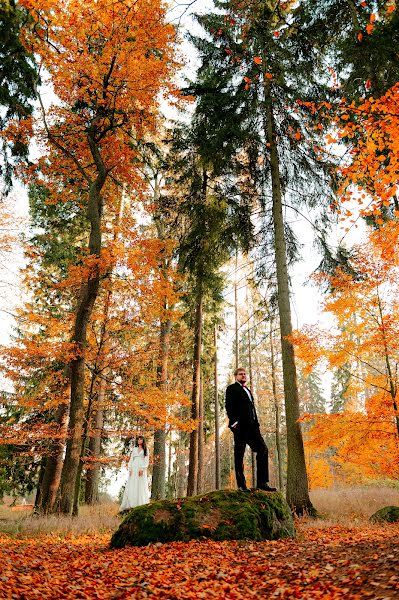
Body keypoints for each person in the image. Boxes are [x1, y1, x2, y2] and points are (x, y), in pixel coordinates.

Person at [226, 367, 276, 492]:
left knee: (263, 449)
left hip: (253, 428)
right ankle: (241, 485)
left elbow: (251, 409)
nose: (243, 376)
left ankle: (262, 482)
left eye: (244, 374)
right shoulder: (232, 388)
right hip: (240, 427)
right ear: (235, 376)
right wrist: (234, 423)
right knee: (239, 455)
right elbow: (228, 406)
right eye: (240, 374)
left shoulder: (247, 390)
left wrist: (256, 424)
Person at [120, 435, 150, 511]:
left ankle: (140, 503)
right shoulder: (134, 449)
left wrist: (142, 469)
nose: (139, 441)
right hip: (134, 467)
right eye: (138, 439)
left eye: (141, 440)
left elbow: (146, 460)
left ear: (143, 441)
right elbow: (131, 460)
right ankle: (131, 503)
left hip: (141, 468)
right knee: (133, 484)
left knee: (140, 484)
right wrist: (130, 469)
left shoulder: (146, 449)